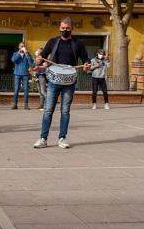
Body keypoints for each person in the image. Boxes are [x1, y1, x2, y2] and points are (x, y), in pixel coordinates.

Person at [33, 17, 90, 149]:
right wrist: (38, 61)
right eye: (63, 28)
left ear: (72, 29)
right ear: (59, 28)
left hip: (69, 82)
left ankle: (62, 138)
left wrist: (87, 65)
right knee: (48, 110)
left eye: (67, 29)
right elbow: (42, 57)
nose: (65, 30)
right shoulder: (53, 42)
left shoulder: (78, 43)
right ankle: (43, 138)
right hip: (53, 81)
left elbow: (85, 59)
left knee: (65, 111)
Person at [11, 42, 34, 110]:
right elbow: (13, 60)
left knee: (26, 89)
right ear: (19, 47)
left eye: (23, 46)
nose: (22, 47)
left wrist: (26, 54)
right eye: (21, 46)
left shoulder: (28, 54)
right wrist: (18, 53)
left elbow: (31, 63)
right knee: (16, 89)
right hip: (17, 73)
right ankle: (15, 104)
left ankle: (26, 105)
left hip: (25, 74)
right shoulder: (15, 53)